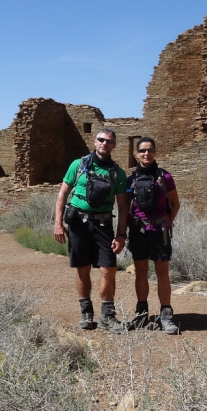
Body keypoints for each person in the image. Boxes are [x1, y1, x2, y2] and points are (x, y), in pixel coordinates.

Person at [54, 128, 129, 333]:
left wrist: (121, 235)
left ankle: (107, 315)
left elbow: (123, 206)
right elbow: (62, 193)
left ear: (114, 145)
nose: (104, 143)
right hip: (78, 223)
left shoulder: (117, 173)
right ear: (94, 141)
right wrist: (58, 223)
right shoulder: (78, 165)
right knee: (83, 268)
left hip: (103, 225)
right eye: (101, 139)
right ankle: (86, 312)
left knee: (109, 269)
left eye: (109, 141)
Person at [117, 137, 181, 334]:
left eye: (150, 150)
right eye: (143, 151)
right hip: (138, 232)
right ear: (136, 154)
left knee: (162, 273)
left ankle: (166, 315)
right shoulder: (131, 180)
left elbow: (175, 203)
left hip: (159, 232)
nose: (147, 154)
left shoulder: (165, 177)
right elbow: (125, 207)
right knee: (141, 273)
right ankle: (141, 313)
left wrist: (168, 221)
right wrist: (123, 231)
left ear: (155, 153)